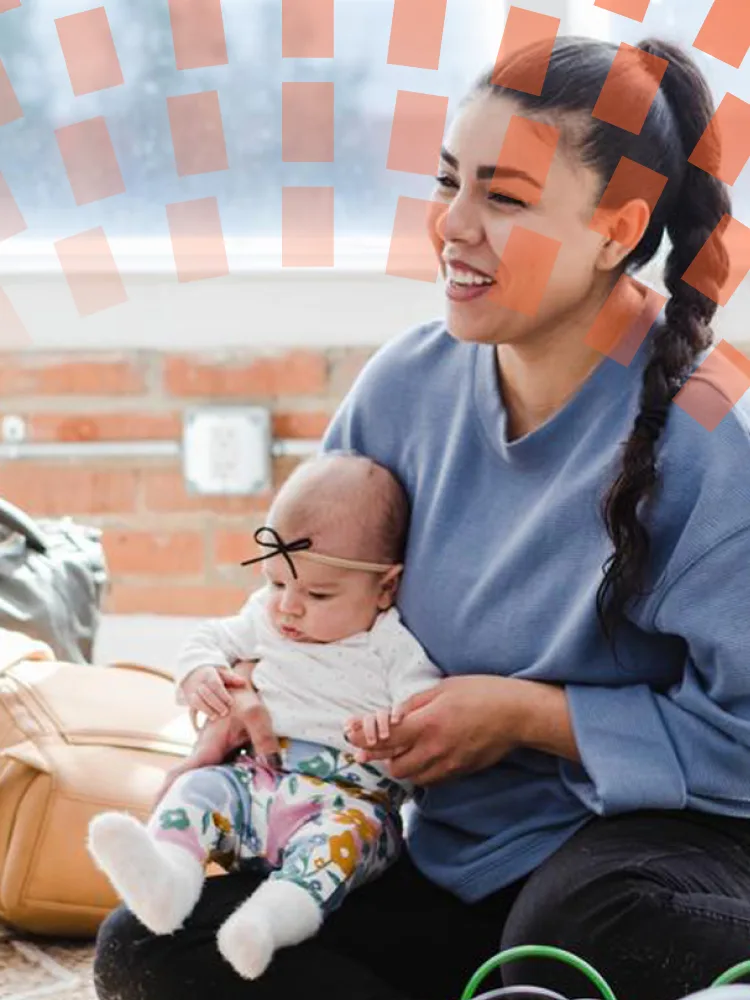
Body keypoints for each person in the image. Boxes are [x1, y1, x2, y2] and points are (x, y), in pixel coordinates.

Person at [94, 34, 750, 1000]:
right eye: (451, 182)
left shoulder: (713, 430)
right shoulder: (403, 385)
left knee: (577, 930)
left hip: (656, 857)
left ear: (618, 228)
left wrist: (531, 718)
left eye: (505, 197)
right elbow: (313, 598)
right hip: (448, 856)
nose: (453, 225)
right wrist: (243, 714)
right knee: (151, 945)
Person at [88, 453, 440, 980]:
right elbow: (209, 638)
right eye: (277, 584)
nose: (287, 608)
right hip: (260, 779)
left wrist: (391, 728)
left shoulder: (393, 647)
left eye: (317, 593)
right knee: (200, 789)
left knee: (337, 847)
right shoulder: (266, 618)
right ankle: (166, 881)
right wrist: (201, 672)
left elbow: (425, 714)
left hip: (351, 801)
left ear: (385, 588)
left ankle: (268, 922)